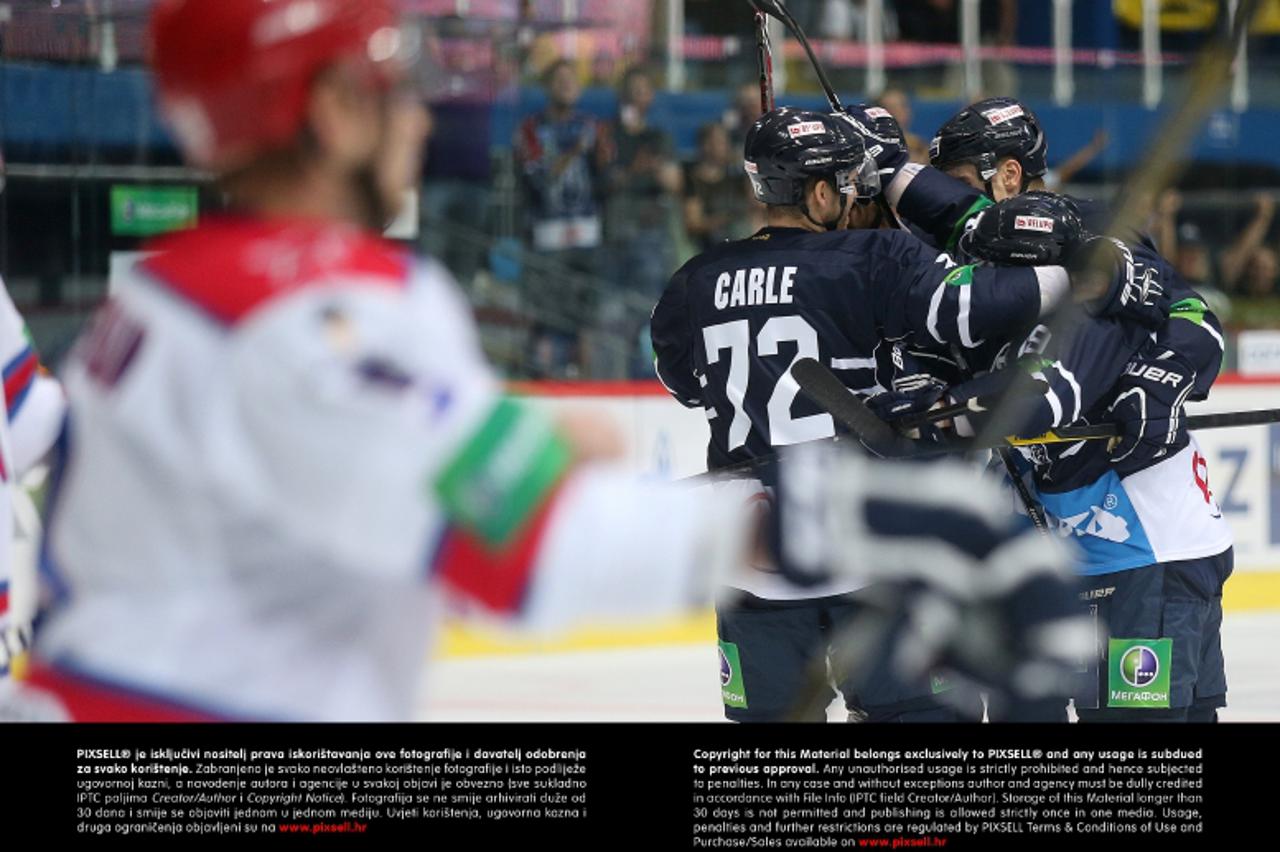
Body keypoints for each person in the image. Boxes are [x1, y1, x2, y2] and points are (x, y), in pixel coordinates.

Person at [9, 0, 826, 723]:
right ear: (330, 110)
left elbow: (338, 482)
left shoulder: (160, 290)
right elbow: (522, 553)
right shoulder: (323, 310)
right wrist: (825, 526)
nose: (418, 120)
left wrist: (532, 460)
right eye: (393, 91)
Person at [651, 107, 1081, 722]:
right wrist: (1081, 274)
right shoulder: (871, 257)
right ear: (820, 192)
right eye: (848, 184)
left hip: (751, 552)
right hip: (861, 544)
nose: (857, 196)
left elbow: (686, 386)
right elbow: (979, 308)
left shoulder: (694, 279)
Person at [886, 191, 1235, 723]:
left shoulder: (1083, 318)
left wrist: (936, 413)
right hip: (1144, 551)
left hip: (1143, 556)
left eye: (993, 267)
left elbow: (1034, 401)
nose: (987, 281)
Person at [514, 58, 611, 378]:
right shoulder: (531, 127)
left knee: (586, 319)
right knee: (545, 316)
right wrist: (573, 152)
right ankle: (539, 378)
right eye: (559, 79)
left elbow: (606, 177)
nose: (566, 85)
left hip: (587, 233)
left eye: (572, 79)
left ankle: (586, 379)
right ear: (546, 86)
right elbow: (539, 179)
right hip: (547, 234)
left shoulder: (593, 126)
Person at [683, 122, 754, 251]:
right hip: (708, 245)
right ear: (705, 146)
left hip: (739, 240)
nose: (726, 146)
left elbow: (756, 206)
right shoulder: (692, 179)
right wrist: (725, 220)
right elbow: (694, 223)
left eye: (726, 142)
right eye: (720, 142)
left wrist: (747, 167)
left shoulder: (735, 177)